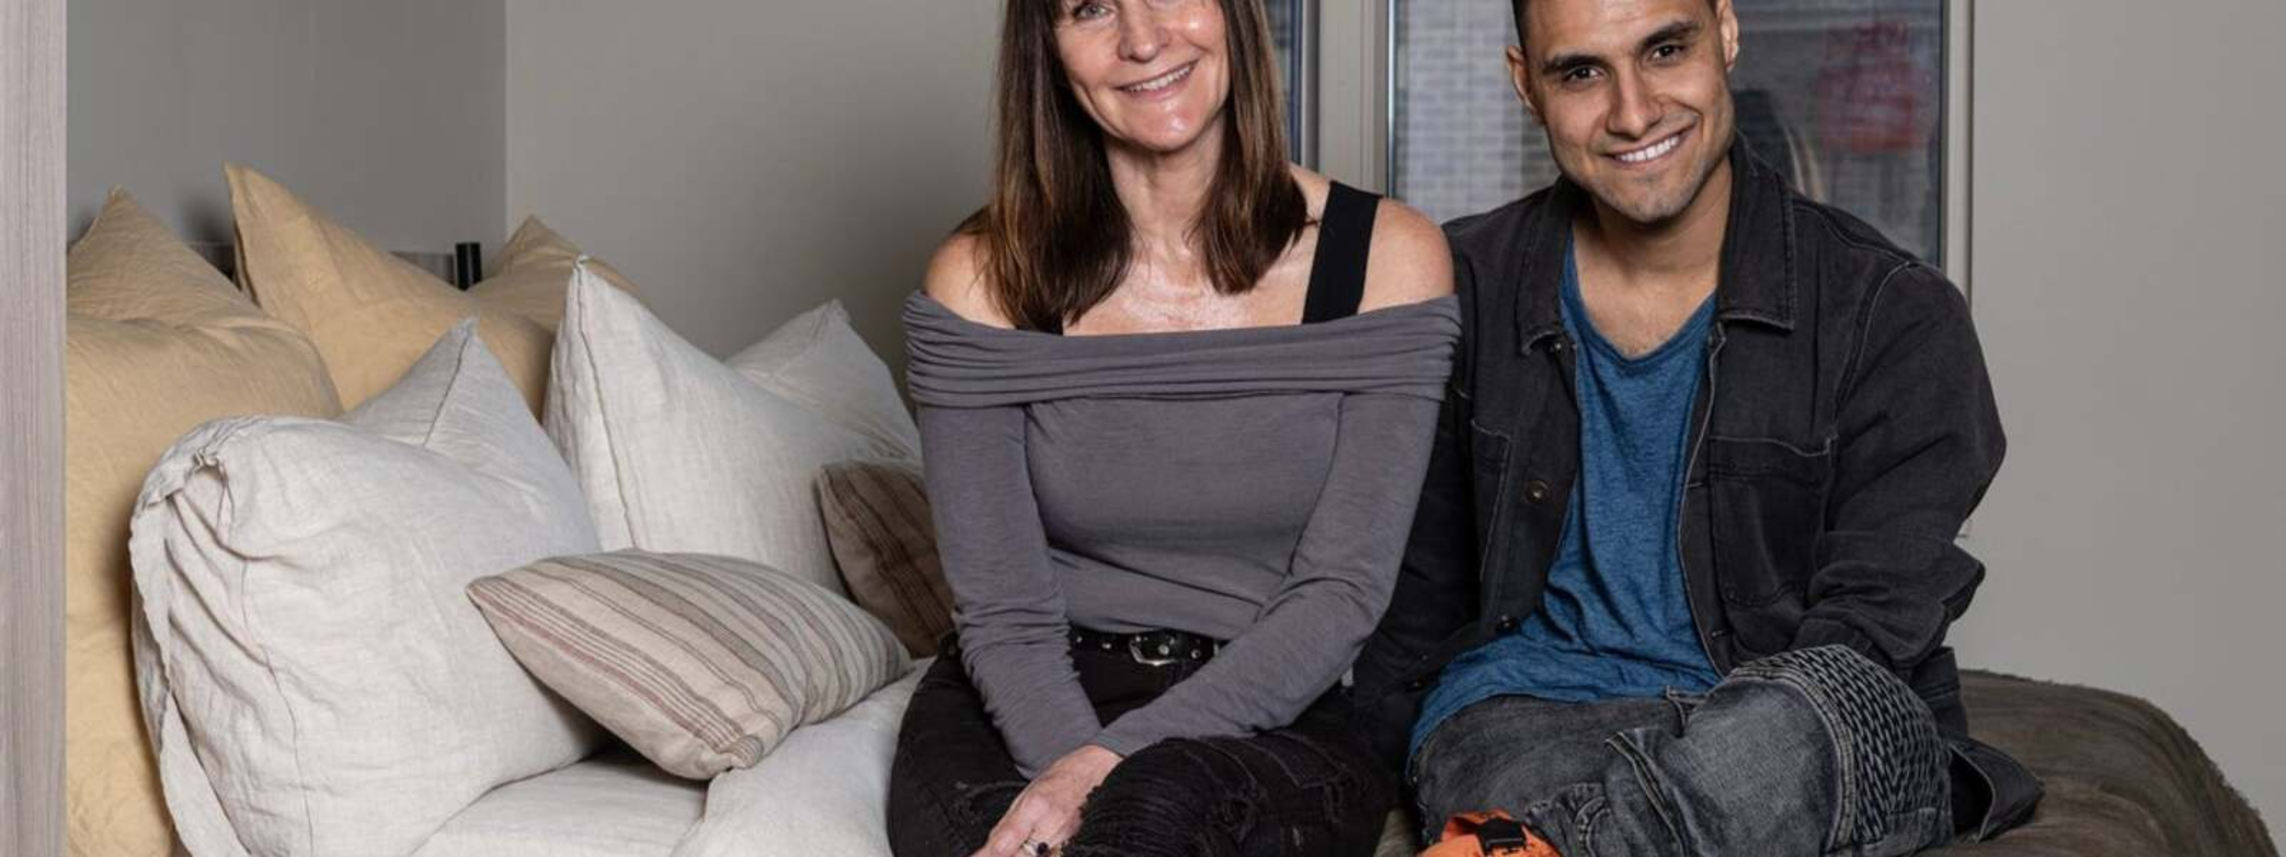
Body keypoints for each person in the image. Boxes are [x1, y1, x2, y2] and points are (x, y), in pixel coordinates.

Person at [1346, 0, 2044, 854]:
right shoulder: (1462, 291)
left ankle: (1549, 845)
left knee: (1798, 731)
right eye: (1581, 72)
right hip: (1533, 716)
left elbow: (1870, 633)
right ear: (1526, 85)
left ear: (1727, 32)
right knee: (1486, 743)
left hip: (1788, 718)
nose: (1634, 112)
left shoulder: (1892, 312)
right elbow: (1411, 600)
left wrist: (1742, 758)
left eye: (1666, 50)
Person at [885, 1, 1458, 855]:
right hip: (1024, 695)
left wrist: (1109, 767)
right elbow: (1004, 609)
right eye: (1091, 7)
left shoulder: (1388, 259)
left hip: (1268, 708)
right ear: (1048, 49)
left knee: (1161, 813)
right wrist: (1072, 767)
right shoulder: (981, 278)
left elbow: (1341, 590)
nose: (1144, 39)